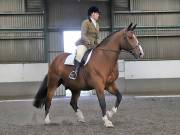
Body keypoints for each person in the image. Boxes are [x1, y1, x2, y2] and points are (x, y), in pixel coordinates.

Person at [69, 6, 100, 80]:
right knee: (79, 54)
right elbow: (83, 35)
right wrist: (89, 43)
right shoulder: (85, 22)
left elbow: (97, 38)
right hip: (84, 44)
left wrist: (99, 45)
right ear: (92, 13)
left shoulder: (97, 24)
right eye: (97, 13)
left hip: (93, 45)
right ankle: (74, 72)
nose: (99, 15)